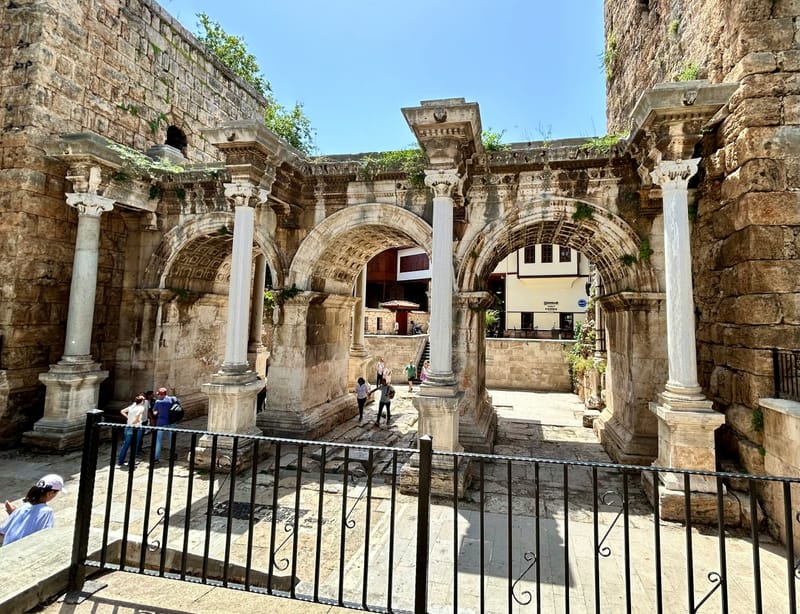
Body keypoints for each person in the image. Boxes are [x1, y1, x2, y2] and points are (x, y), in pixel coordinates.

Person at [0, 474, 64, 546]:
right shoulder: (47, 512)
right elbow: (46, 536)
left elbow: (2, 532)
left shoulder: (22, 508)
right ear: (50, 493)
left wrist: (13, 514)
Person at [117, 394, 146, 467]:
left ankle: (121, 461)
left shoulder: (132, 406)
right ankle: (131, 461)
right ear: (142, 401)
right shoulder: (141, 407)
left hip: (128, 427)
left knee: (125, 444)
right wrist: (136, 420)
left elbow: (122, 411)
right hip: (136, 427)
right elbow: (138, 414)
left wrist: (128, 417)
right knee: (135, 445)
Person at [152, 387, 179, 463]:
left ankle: (156, 458)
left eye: (159, 395)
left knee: (158, 441)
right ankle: (172, 455)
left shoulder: (158, 402)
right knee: (171, 440)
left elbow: (155, 413)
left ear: (161, 395)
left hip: (161, 422)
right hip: (171, 422)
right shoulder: (172, 399)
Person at [137, 390, 155, 457]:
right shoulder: (136, 403)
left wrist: (151, 419)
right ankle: (136, 451)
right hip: (138, 422)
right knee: (138, 437)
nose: (143, 397)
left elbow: (148, 411)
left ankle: (139, 449)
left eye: (144, 396)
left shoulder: (147, 402)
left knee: (141, 437)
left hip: (144, 421)